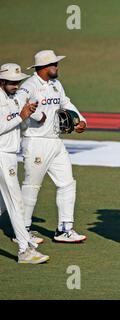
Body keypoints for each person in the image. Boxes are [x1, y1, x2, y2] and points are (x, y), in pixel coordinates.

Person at [15, 50, 87, 243]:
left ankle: (64, 229)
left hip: (55, 141)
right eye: (53, 64)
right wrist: (38, 116)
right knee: (32, 186)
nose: (57, 67)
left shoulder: (56, 84)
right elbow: (17, 103)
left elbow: (66, 102)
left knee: (67, 183)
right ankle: (23, 231)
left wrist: (80, 120)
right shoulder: (29, 85)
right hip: (36, 141)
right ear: (43, 68)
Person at [0, 63, 49, 263]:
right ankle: (24, 249)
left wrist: (27, 115)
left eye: (18, 81)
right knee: (15, 201)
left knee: (3, 203)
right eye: (12, 82)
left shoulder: (11, 99)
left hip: (10, 153)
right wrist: (21, 116)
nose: (16, 85)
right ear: (1, 81)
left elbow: (19, 124)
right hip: (2, 154)